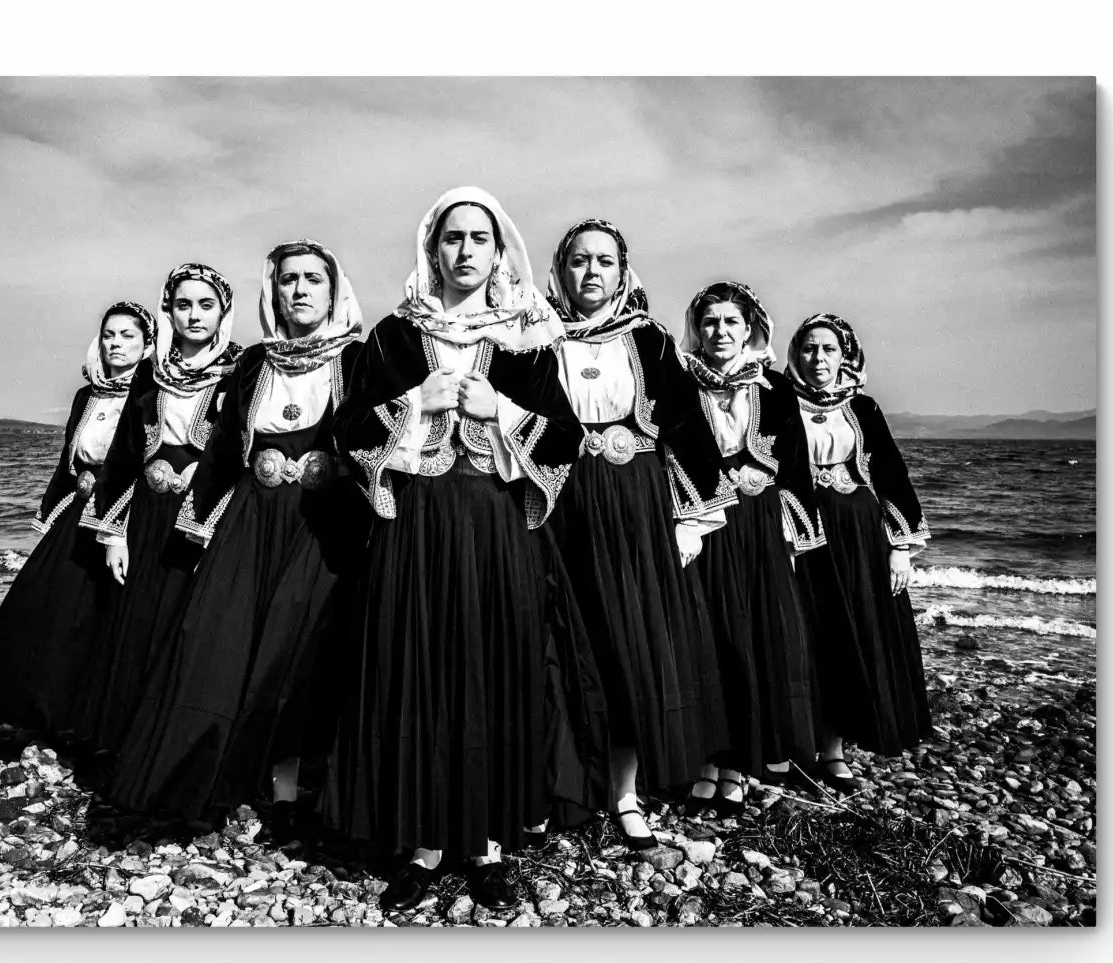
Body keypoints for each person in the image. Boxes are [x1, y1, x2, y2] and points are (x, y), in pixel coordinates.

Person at [325, 187, 584, 912]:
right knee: (421, 667)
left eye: (480, 238)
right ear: (430, 248)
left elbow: (567, 437)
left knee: (493, 668)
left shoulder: (528, 338)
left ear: (500, 251)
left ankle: (487, 844)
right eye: (452, 238)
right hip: (418, 526)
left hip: (497, 525)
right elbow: (349, 432)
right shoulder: (394, 337)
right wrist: (420, 405)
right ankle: (423, 841)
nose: (465, 251)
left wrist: (497, 409)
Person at [104, 241, 369, 834]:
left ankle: (292, 784)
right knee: (216, 639)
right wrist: (195, 529)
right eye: (287, 280)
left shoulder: (357, 358)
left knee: (296, 647)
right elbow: (224, 453)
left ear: (333, 290)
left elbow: (380, 438)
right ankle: (205, 774)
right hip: (253, 517)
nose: (299, 290)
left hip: (320, 523)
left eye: (312, 280)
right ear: (272, 292)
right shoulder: (253, 364)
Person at [543, 219, 734, 849]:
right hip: (561, 506)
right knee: (566, 647)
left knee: (632, 647)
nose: (591, 272)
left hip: (635, 512)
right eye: (578, 261)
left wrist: (693, 518)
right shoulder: (535, 340)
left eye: (604, 261)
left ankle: (624, 794)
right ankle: (559, 783)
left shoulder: (649, 342)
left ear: (623, 272)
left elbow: (687, 428)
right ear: (560, 269)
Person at [71, 263, 244, 760]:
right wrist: (113, 531)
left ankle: (177, 742)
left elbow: (239, 453)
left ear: (223, 313)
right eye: (183, 304)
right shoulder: (150, 373)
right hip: (147, 515)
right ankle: (126, 737)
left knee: (190, 625)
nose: (194, 315)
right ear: (168, 309)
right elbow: (125, 453)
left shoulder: (240, 370)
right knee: (138, 621)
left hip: (204, 517)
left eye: (206, 305)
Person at [677, 281, 822, 817]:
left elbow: (797, 463)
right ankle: (706, 762)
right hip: (703, 520)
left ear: (750, 328)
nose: (719, 332)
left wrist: (791, 534)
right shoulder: (680, 382)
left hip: (758, 525)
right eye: (710, 322)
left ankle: (739, 766)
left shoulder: (775, 386)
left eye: (730, 322)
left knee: (751, 639)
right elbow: (670, 448)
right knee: (705, 639)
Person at [0, 302, 154, 740]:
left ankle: (92, 718)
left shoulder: (151, 394)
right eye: (110, 335)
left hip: (125, 514)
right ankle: (39, 705)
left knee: (98, 617)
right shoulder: (87, 393)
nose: (116, 344)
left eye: (128, 336)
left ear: (148, 344)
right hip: (78, 515)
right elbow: (70, 463)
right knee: (43, 606)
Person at [787, 312, 932, 791]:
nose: (818, 358)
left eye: (828, 349)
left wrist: (900, 548)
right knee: (808, 635)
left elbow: (891, 473)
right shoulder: (779, 402)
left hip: (860, 535)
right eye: (809, 348)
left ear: (844, 354)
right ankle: (796, 746)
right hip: (805, 533)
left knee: (852, 635)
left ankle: (833, 749)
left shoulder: (863, 408)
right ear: (796, 353)